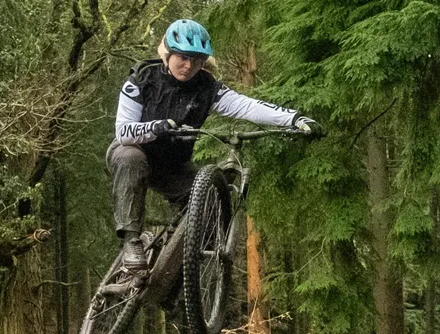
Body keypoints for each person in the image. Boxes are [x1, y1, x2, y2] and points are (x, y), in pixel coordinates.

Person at [108, 19, 321, 269]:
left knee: (211, 203)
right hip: (133, 154)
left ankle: (177, 283)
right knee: (130, 157)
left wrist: (295, 119)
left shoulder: (207, 88)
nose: (188, 66)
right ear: (168, 54)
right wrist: (156, 127)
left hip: (173, 167)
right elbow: (123, 132)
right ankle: (132, 240)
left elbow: (247, 106)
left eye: (197, 60)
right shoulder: (142, 80)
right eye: (183, 57)